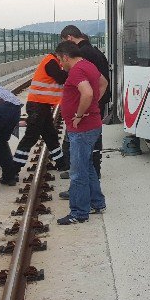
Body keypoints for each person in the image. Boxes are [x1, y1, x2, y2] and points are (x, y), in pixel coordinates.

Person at [54, 41, 107, 225]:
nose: (61, 64)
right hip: (92, 125)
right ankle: (97, 203)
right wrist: (92, 107)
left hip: (82, 129)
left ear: (65, 56)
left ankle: (78, 213)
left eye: (60, 60)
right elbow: (103, 83)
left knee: (77, 172)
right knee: (88, 166)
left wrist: (78, 114)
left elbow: (87, 93)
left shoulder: (76, 70)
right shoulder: (88, 65)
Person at [59, 25, 110, 178]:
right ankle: (90, 173)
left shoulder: (83, 55)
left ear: (69, 38)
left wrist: (86, 107)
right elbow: (103, 82)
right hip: (92, 107)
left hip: (86, 110)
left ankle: (83, 174)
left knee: (85, 146)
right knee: (92, 143)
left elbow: (87, 91)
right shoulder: (93, 51)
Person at [11, 53, 66, 173]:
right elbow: (61, 78)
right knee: (31, 136)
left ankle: (61, 163)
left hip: (42, 106)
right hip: (37, 105)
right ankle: (13, 169)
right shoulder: (51, 61)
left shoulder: (53, 62)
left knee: (50, 135)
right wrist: (72, 69)